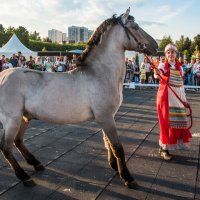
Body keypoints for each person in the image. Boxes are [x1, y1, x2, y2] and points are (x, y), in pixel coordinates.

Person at [156, 43, 192, 160]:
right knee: (166, 123)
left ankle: (170, 145)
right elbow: (159, 74)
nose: (170, 54)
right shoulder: (163, 65)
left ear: (176, 54)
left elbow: (181, 85)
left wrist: (184, 100)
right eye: (168, 52)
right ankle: (163, 148)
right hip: (166, 98)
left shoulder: (179, 67)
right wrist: (157, 73)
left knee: (178, 121)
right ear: (166, 55)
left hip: (177, 98)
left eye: (173, 52)